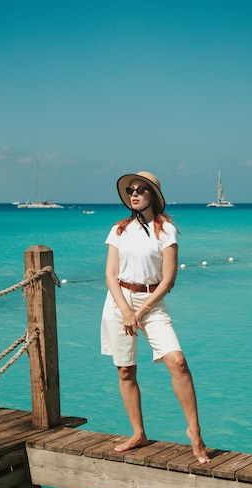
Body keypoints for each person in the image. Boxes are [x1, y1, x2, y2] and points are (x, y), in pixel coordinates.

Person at [101, 171, 209, 464]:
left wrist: (140, 311)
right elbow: (110, 275)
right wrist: (125, 311)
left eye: (140, 190)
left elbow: (168, 280)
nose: (134, 194)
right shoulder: (119, 230)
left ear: (153, 196)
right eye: (130, 190)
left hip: (152, 302)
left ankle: (195, 433)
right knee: (125, 370)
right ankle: (138, 434)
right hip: (118, 301)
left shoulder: (166, 231)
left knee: (178, 361)